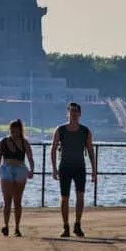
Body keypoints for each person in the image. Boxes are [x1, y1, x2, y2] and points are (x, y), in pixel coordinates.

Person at [50, 102, 97, 237]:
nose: (74, 114)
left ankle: (77, 224)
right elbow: (53, 149)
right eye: (71, 111)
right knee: (64, 197)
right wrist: (53, 169)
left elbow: (90, 150)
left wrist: (94, 170)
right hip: (65, 167)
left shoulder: (85, 131)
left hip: (79, 167)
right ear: (67, 113)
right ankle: (65, 226)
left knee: (80, 196)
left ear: (80, 113)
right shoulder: (60, 130)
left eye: (76, 111)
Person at [0, 118, 34, 237]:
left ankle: (17, 227)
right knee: (7, 200)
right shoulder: (3, 142)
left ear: (20, 130)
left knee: (17, 200)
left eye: (16, 131)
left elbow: (30, 157)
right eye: (12, 130)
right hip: (6, 168)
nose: (14, 133)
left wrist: (31, 169)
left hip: (20, 169)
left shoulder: (24, 142)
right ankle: (6, 226)